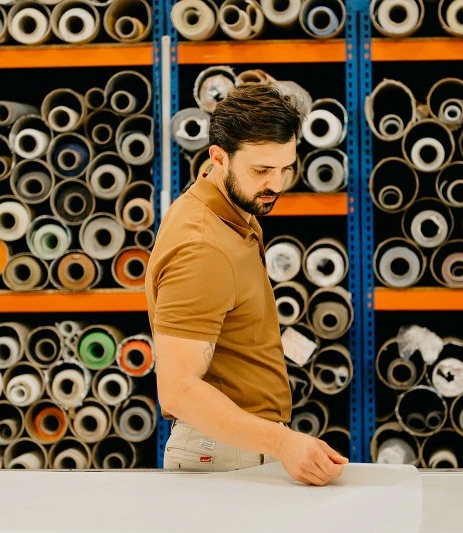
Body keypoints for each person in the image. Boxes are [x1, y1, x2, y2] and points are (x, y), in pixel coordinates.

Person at [145, 83, 348, 486]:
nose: (277, 183)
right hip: (221, 453)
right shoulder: (204, 247)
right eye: (261, 170)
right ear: (218, 158)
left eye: (286, 167)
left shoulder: (231, 207)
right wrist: (284, 443)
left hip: (234, 443)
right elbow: (178, 390)